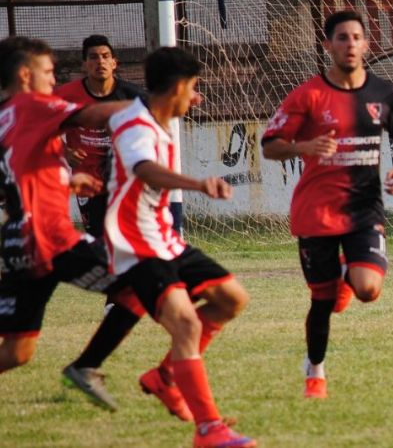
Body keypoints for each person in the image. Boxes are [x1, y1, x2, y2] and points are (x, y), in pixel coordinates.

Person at [106, 47, 255, 447]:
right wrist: (197, 183)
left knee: (231, 299)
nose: (196, 97)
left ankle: (165, 376)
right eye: (193, 88)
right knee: (186, 324)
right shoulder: (136, 124)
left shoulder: (157, 118)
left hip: (163, 236)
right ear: (175, 87)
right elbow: (144, 169)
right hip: (134, 242)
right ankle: (209, 429)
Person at [261, 10, 393, 399]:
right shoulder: (308, 95)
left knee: (367, 289)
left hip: (364, 208)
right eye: (341, 38)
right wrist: (303, 147)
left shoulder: (384, 93)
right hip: (316, 213)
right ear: (328, 45)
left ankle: (351, 271)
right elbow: (269, 145)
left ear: (367, 44)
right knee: (323, 301)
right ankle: (315, 371)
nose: (349, 44)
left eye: (356, 37)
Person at [0, 37, 133, 385]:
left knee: (17, 352)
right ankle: (87, 366)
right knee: (144, 282)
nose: (53, 82)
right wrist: (156, 104)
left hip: (17, 240)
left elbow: (17, 177)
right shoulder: (32, 103)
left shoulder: (5, 116)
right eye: (48, 72)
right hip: (48, 236)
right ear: (26, 76)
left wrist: (65, 184)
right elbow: (93, 113)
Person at [55, 34, 150, 411]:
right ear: (84, 65)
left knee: (125, 236)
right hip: (88, 181)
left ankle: (116, 302)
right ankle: (116, 300)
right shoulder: (67, 95)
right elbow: (45, 124)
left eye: (105, 56)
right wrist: (63, 148)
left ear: (114, 63)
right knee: (101, 239)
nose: (99, 62)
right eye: (92, 57)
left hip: (124, 180)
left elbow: (155, 110)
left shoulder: (129, 93)